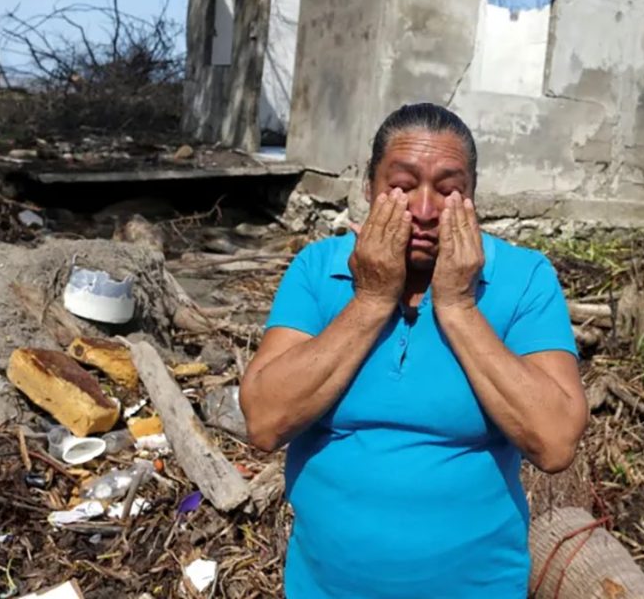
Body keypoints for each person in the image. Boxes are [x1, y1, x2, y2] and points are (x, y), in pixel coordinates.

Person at [240, 103, 588, 598]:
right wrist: (371, 299)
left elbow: (554, 443)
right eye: (402, 186)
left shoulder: (524, 278)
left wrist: (460, 307)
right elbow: (264, 421)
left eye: (448, 191)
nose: (425, 212)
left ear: (471, 198)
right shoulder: (319, 269)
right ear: (369, 188)